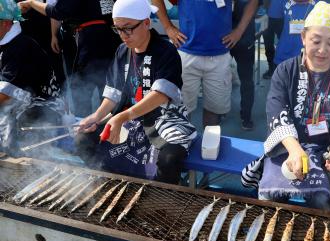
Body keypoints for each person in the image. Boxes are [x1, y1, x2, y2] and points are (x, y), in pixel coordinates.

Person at [242, 1, 330, 209]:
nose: (322, 50)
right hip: (288, 147)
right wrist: (294, 150)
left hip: (329, 153)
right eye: (316, 41)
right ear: (303, 38)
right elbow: (277, 111)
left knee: (324, 198)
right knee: (272, 198)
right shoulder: (285, 71)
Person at [74, 0, 197, 184]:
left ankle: (160, 198)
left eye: (128, 28)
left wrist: (123, 116)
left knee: (169, 159)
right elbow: (114, 92)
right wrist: (97, 116)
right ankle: (109, 183)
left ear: (146, 23)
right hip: (128, 119)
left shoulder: (166, 50)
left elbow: (161, 94)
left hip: (163, 118)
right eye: (118, 29)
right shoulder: (122, 51)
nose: (123, 35)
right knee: (83, 140)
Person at [153, 0, 257, 127]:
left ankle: (209, 146)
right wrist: (168, 27)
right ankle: (184, 143)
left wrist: (239, 31)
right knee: (182, 110)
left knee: (214, 111)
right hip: (186, 53)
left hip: (219, 55)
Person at [18, 0, 120, 117]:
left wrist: (31, 3)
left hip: (89, 42)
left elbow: (57, 11)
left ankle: (84, 127)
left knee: (82, 90)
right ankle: (107, 125)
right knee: (107, 88)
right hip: (110, 38)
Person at [0, 0, 65, 155]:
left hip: (41, 115)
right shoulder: (5, 43)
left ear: (6, 24)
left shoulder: (21, 47)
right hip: (14, 113)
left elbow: (5, 96)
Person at [231, 0, 259, 130]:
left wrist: (238, 31)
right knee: (218, 78)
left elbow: (254, 3)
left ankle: (246, 116)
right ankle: (219, 112)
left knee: (246, 80)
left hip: (244, 40)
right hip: (220, 40)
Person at [262, 0, 283, 79]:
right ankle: (271, 69)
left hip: (284, 17)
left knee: (283, 45)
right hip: (266, 17)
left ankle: (283, 69)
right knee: (268, 45)